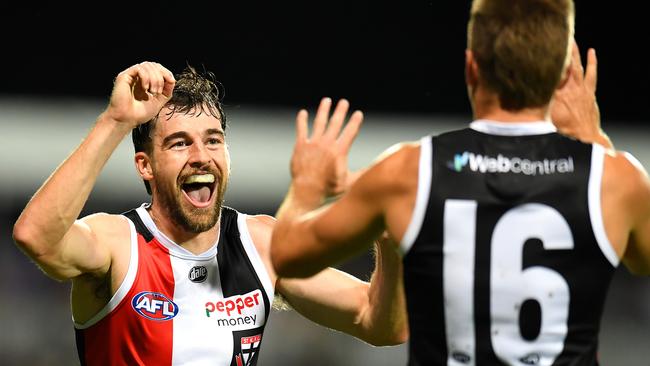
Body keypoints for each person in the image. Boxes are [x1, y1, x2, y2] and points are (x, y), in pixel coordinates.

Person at [270, 0, 650, 364]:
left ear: (471, 68)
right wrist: (594, 141)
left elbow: (287, 255)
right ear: (560, 75)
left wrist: (307, 185)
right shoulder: (615, 180)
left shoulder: (407, 171)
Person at [12, 62, 407, 365]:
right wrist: (116, 120)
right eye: (180, 143)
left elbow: (381, 323)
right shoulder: (119, 242)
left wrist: (387, 238)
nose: (201, 156)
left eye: (213, 140)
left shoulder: (262, 244)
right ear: (145, 165)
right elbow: (37, 237)